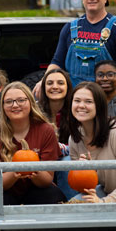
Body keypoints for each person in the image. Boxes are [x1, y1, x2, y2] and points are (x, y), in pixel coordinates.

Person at [34, 0, 116, 97]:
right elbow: (57, 62)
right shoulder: (70, 28)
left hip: (106, 102)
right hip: (74, 102)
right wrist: (44, 80)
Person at [0, 82, 66, 205]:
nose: (15, 105)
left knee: (52, 194)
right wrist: (17, 170)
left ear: (31, 103)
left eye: (21, 100)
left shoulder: (45, 130)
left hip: (34, 190)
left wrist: (35, 171)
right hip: (3, 190)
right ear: (2, 106)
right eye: (9, 102)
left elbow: (47, 180)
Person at [37, 68, 74, 198]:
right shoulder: (35, 112)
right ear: (43, 87)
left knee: (67, 162)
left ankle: (69, 203)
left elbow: (80, 145)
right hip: (41, 156)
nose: (55, 87)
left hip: (67, 156)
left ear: (68, 87)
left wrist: (58, 148)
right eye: (50, 83)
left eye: (60, 83)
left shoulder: (76, 110)